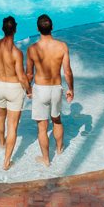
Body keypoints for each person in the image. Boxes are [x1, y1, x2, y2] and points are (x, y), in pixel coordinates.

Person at [26, 14, 74, 166]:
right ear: (52, 27)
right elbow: (67, 71)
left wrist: (28, 89)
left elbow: (29, 73)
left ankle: (46, 160)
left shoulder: (32, 49)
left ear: (37, 29)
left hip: (40, 89)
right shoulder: (62, 46)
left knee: (42, 127)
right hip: (56, 88)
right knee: (57, 120)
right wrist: (71, 89)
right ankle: (59, 149)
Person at [0, 16, 30, 170]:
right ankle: (6, 162)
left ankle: (1, 143)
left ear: (2, 29)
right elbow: (21, 76)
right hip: (14, 88)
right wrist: (29, 90)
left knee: (0, 117)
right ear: (15, 30)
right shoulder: (16, 52)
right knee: (12, 125)